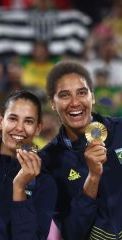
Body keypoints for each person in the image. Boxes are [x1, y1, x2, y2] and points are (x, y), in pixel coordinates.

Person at [39, 61, 122, 239]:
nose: (75, 102)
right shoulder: (47, 162)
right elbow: (73, 232)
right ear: (52, 103)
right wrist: (92, 177)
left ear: (92, 96)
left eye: (82, 93)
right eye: (64, 95)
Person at [0, 90, 57, 239]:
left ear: (38, 128)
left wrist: (19, 188)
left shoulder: (45, 182)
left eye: (28, 121)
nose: (19, 128)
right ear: (0, 121)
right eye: (13, 119)